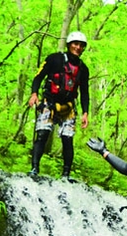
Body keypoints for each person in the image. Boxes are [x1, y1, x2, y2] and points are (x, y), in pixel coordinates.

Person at [28, 31, 90, 180]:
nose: (78, 48)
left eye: (81, 45)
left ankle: (66, 174)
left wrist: (85, 112)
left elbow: (85, 91)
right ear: (69, 45)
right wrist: (34, 93)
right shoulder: (54, 59)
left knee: (67, 139)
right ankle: (35, 168)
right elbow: (39, 76)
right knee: (42, 134)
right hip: (48, 103)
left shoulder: (83, 69)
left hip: (68, 108)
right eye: (75, 44)